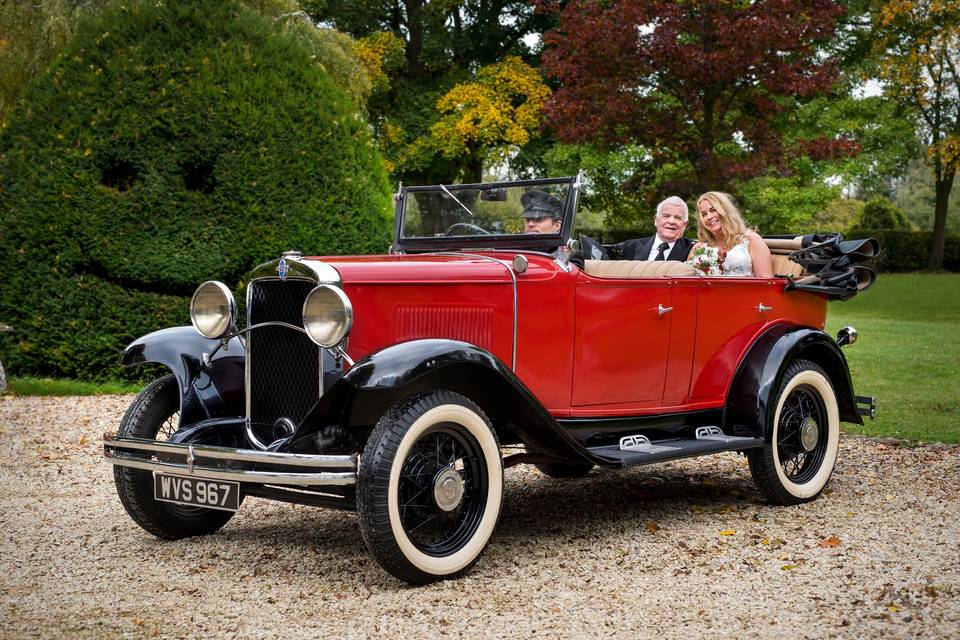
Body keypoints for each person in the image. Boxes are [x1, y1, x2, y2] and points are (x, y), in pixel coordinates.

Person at [691, 191, 773, 277]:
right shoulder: (701, 248)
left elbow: (767, 281)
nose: (709, 217)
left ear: (725, 210)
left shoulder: (751, 239)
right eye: (704, 214)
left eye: (713, 210)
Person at [612, 196, 694, 261]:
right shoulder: (630, 247)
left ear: (685, 225)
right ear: (656, 220)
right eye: (666, 216)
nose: (671, 221)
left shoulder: (694, 250)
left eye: (678, 218)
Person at [521, 189, 584, 269]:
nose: (530, 224)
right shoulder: (514, 249)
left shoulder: (569, 255)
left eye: (538, 219)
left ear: (557, 226)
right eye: (527, 219)